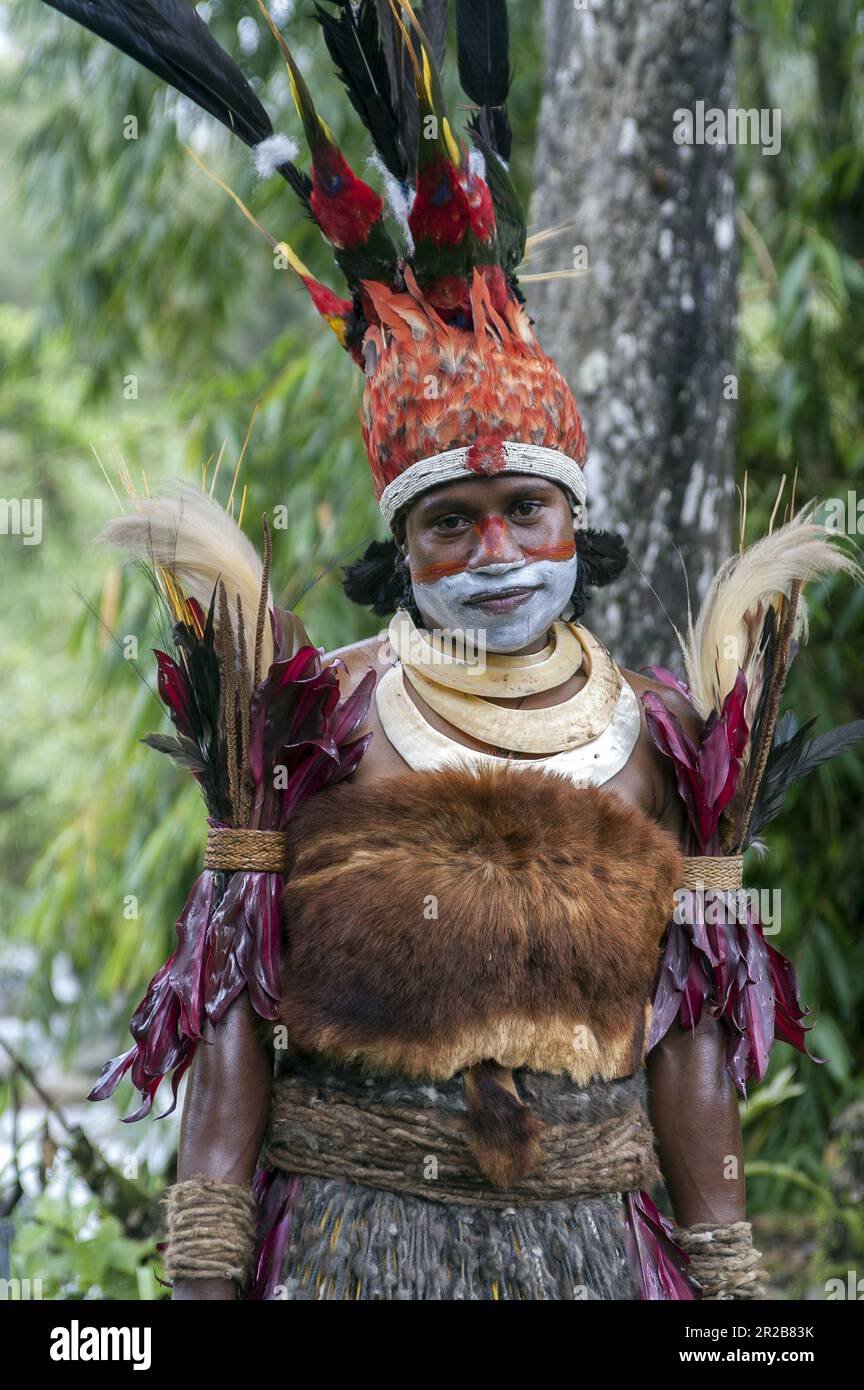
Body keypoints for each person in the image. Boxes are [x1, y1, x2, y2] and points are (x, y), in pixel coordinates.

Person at [46, 0, 860, 1301]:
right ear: (402, 548)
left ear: (573, 521)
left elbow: (690, 1047)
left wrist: (737, 1290)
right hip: (350, 1248)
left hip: (598, 1251)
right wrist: (201, 1273)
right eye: (451, 522)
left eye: (522, 511)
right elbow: (234, 1021)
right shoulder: (314, 725)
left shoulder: (667, 740)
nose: (493, 551)